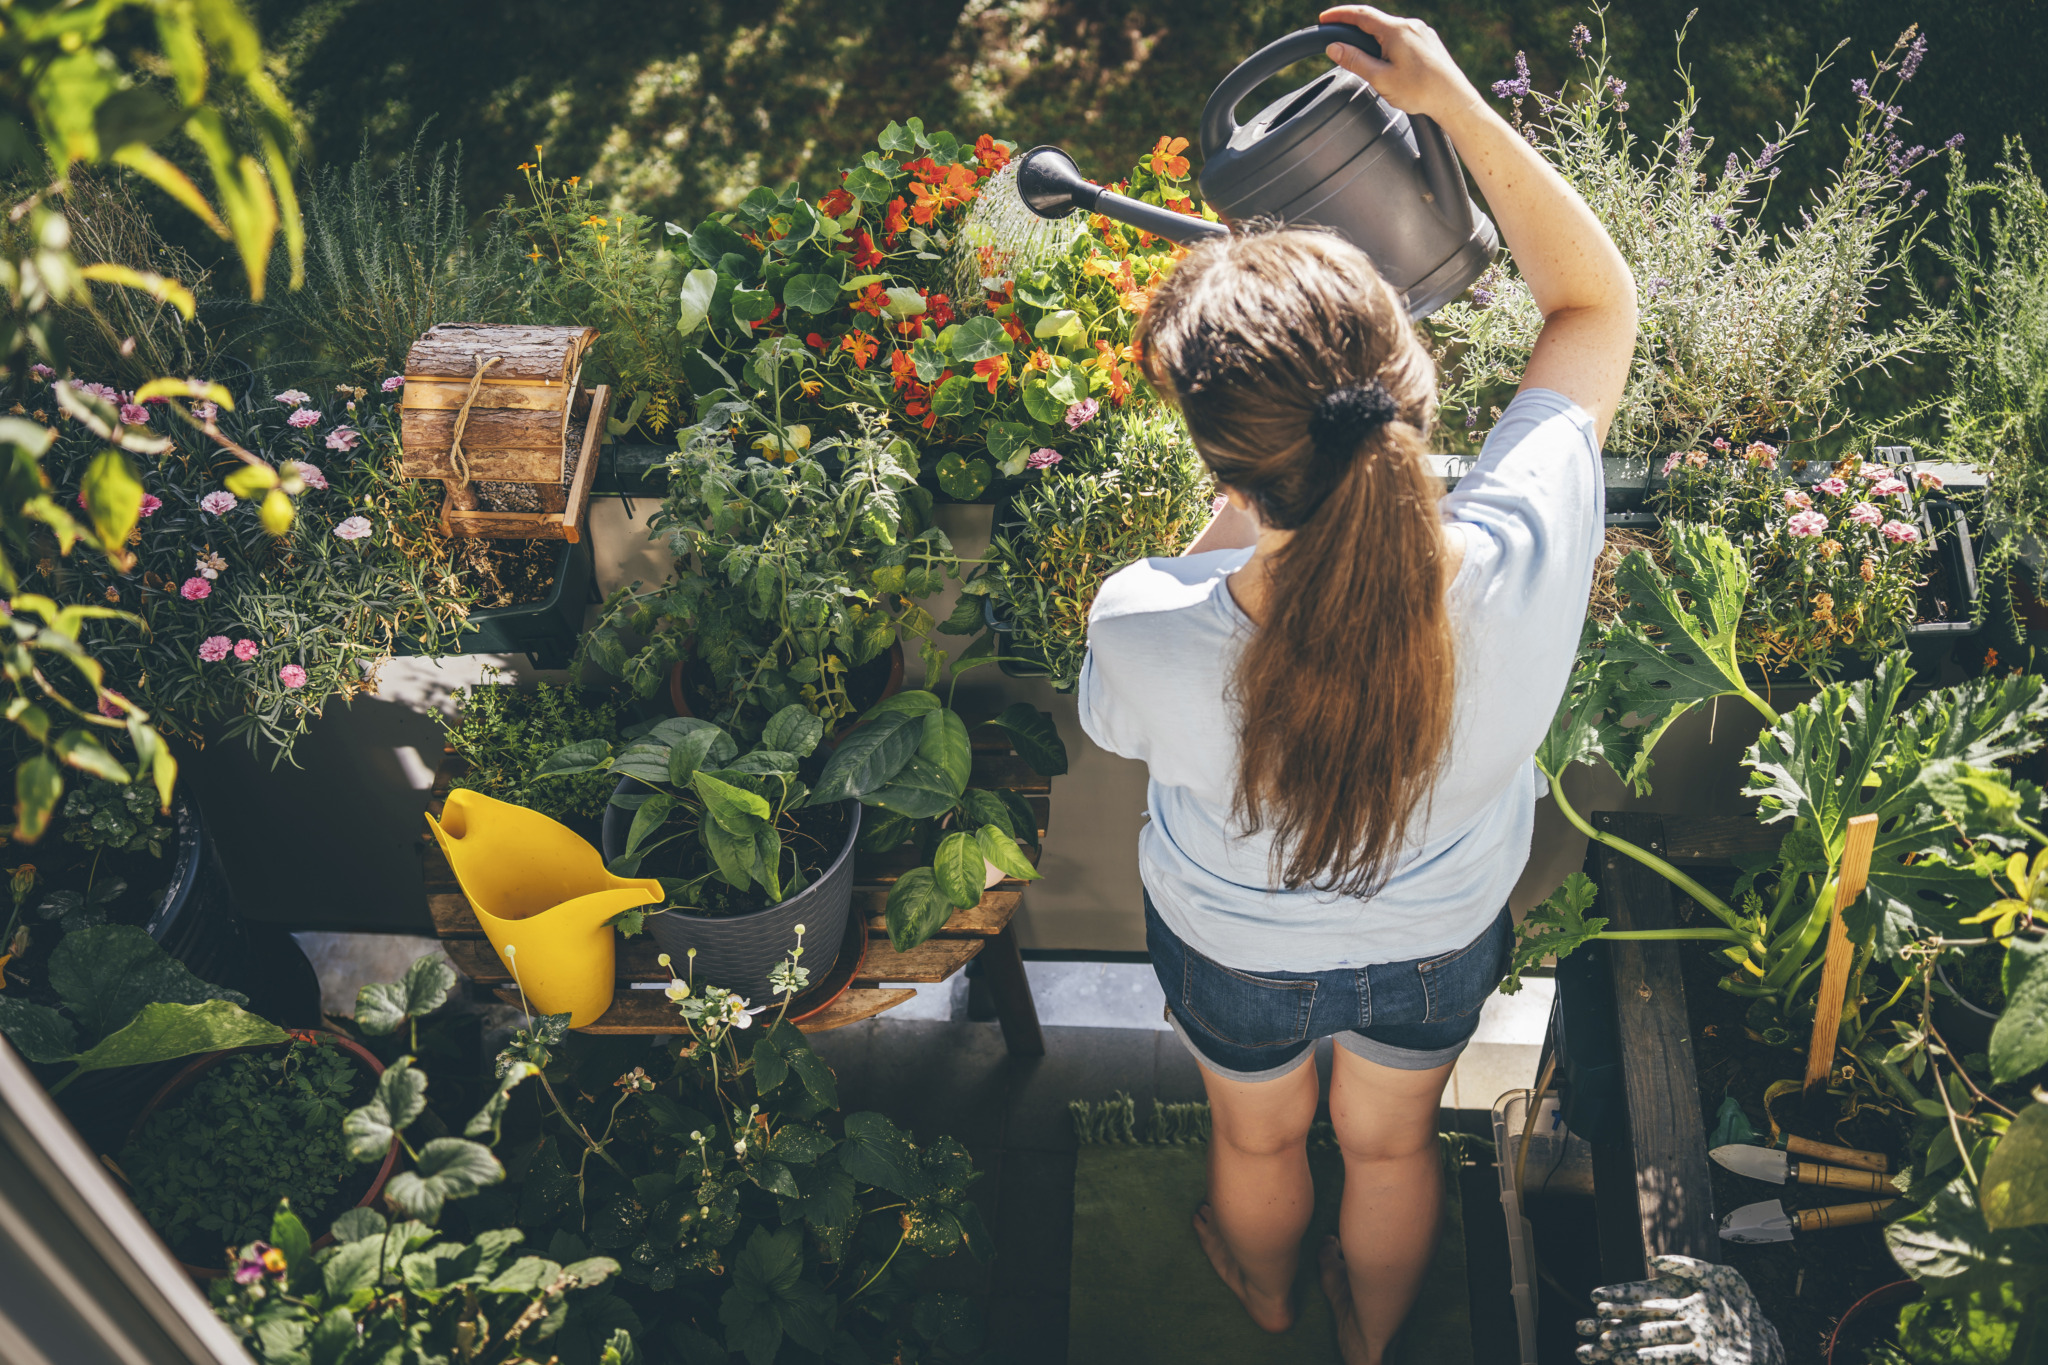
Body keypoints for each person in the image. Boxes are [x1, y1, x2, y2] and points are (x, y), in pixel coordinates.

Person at [1076, 7, 1637, 1362]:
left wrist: (1237, 503)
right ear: (1411, 378)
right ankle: (1371, 1338)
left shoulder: (1145, 625)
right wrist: (1449, 100)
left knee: (1254, 1129)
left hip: (1232, 950)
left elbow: (1165, 644)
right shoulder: (1518, 551)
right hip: (1441, 940)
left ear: (1223, 457)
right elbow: (1595, 300)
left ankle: (1265, 1296)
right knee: (1389, 1150)